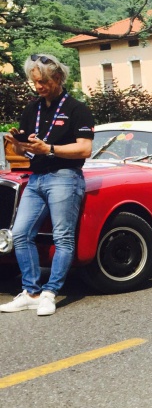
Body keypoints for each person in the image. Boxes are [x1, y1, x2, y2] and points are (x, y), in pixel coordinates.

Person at [0, 54, 94, 316]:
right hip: (36, 178)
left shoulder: (77, 109)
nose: (39, 87)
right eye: (35, 82)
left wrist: (49, 148)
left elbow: (85, 148)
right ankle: (31, 292)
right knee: (20, 234)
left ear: (58, 77)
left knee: (63, 237)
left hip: (65, 176)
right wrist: (19, 143)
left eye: (42, 82)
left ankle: (50, 293)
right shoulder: (32, 108)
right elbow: (23, 151)